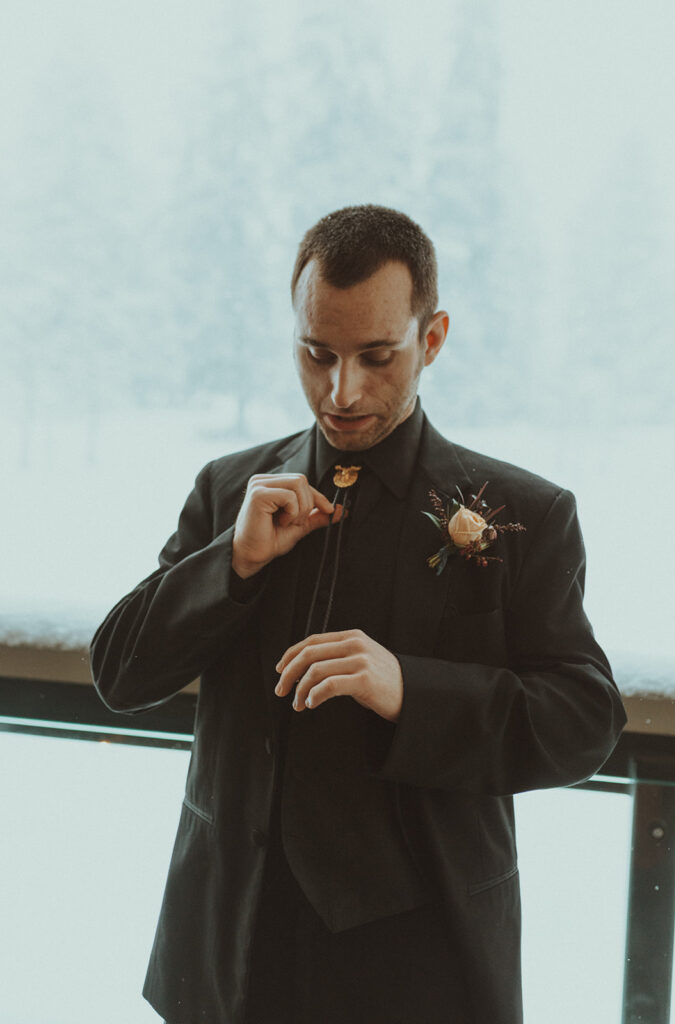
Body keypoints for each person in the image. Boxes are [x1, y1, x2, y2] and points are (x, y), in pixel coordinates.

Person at [91, 204, 626, 1024]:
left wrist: (409, 689)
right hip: (230, 953)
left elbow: (586, 720)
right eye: (316, 354)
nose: (341, 392)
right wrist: (230, 565)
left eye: (377, 357)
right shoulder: (226, 489)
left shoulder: (528, 513)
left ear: (432, 339)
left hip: (424, 966)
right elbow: (120, 675)